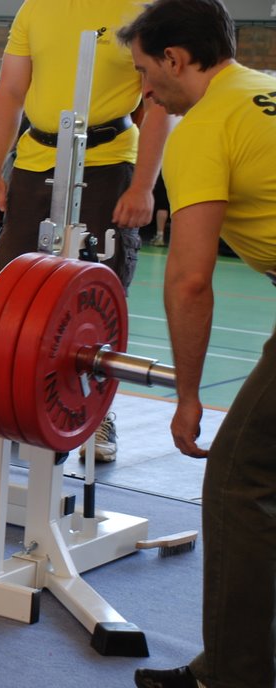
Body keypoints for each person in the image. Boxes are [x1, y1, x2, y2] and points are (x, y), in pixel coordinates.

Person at [116, 2, 276, 686]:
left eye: (146, 73)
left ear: (177, 60)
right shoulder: (266, 88)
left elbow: (188, 282)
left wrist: (186, 395)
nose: (145, 92)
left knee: (241, 478)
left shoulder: (203, 127)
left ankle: (233, 677)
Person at [0, 0, 173, 462]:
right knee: (15, 291)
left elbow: (160, 101)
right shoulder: (35, 8)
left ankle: (96, 411)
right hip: (36, 159)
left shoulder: (143, 9)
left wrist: (144, 186)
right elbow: (9, 91)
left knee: (99, 291)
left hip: (108, 161)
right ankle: (13, 405)